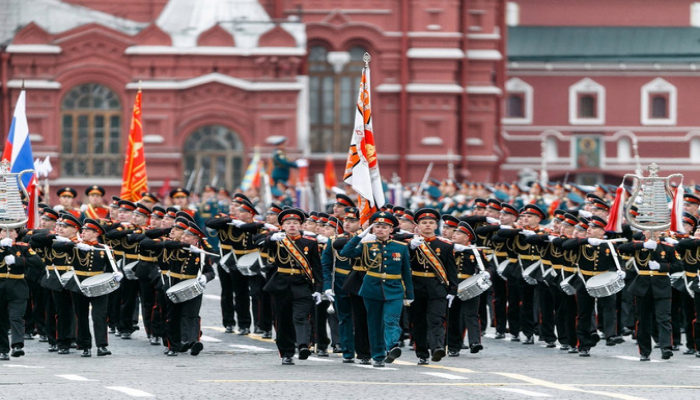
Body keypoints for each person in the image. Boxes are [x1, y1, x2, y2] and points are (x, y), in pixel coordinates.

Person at [339, 211, 414, 368]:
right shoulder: (366, 245)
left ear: (391, 230)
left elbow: (406, 272)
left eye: (384, 227)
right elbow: (345, 253)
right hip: (371, 288)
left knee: (391, 320)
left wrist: (409, 294)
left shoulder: (400, 247)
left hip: (394, 289)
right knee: (374, 323)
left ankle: (392, 346)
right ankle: (378, 356)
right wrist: (360, 237)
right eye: (377, 226)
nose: (380, 230)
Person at [52, 219, 121, 357]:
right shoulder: (75, 246)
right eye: (82, 230)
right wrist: (75, 245)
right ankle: (85, 346)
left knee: (99, 316)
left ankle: (102, 346)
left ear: (96, 233)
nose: (83, 233)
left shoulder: (104, 248)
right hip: (79, 283)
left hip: (98, 284)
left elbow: (112, 266)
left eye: (87, 231)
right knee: (81, 316)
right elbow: (57, 247)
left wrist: (117, 274)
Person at [263, 208, 323, 365]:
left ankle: (303, 345)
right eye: (288, 223)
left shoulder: (310, 243)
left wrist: (318, 289)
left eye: (295, 223)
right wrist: (271, 237)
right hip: (281, 284)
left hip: (302, 284)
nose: (291, 226)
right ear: (282, 226)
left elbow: (317, 269)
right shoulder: (277, 240)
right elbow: (262, 245)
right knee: (283, 320)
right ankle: (286, 352)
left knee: (300, 316)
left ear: (301, 226)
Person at [618, 232, 682, 361]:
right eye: (647, 228)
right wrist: (643, 244)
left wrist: (662, 266)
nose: (652, 231)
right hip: (643, 286)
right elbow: (621, 249)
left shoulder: (667, 247)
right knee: (643, 320)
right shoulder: (638, 245)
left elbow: (679, 265)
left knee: (663, 318)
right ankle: (644, 351)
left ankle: (666, 347)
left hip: (661, 286)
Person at [408, 208, 458, 365]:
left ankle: (437, 348)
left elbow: (451, 269)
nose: (427, 225)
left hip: (437, 286)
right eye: (424, 223)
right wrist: (410, 248)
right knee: (418, 321)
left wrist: (453, 290)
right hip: (416, 286)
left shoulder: (445, 245)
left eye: (431, 223)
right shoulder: (410, 244)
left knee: (436, 319)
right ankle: (422, 352)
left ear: (436, 226)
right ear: (418, 226)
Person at [0, 228, 44, 359]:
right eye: (3, 230)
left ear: (17, 234)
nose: (7, 233)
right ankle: (3, 349)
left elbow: (38, 263)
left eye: (12, 230)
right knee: (1, 320)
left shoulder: (23, 247)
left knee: (16, 317)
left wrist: (17, 261)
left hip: (17, 286)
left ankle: (17, 345)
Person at [448, 222, 485, 356]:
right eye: (455, 232)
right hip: (452, 285)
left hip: (470, 285)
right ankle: (453, 346)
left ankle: (474, 342)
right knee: (453, 316)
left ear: (466, 238)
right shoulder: (448, 249)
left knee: (471, 314)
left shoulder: (475, 251)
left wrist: (487, 273)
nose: (454, 235)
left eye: (458, 234)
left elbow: (488, 266)